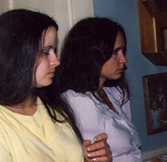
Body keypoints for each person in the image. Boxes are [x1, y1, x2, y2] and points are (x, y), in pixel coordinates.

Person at [0, 9, 112, 162]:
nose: (56, 61)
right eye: (45, 51)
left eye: (54, 50)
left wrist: (95, 159)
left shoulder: (53, 107)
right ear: (17, 54)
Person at [56, 17, 142, 162]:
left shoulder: (115, 93)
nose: (123, 59)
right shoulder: (78, 101)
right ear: (93, 55)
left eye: (122, 51)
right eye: (115, 52)